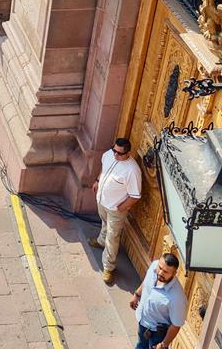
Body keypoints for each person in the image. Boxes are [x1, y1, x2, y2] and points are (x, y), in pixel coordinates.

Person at [90, 136, 142, 284]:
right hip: (102, 201)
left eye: (120, 153)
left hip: (116, 209)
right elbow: (104, 168)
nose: (115, 155)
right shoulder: (108, 155)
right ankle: (101, 241)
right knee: (104, 222)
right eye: (114, 151)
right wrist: (98, 180)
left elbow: (135, 195)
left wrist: (121, 208)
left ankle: (108, 267)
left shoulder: (132, 170)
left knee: (113, 237)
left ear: (128, 153)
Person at [130, 253, 187, 348]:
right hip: (143, 321)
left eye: (165, 272)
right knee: (140, 345)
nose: (160, 273)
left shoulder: (177, 297)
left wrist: (163, 344)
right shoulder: (154, 265)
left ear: (174, 273)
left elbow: (176, 325)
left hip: (157, 335)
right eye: (160, 268)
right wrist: (137, 295)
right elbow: (146, 281)